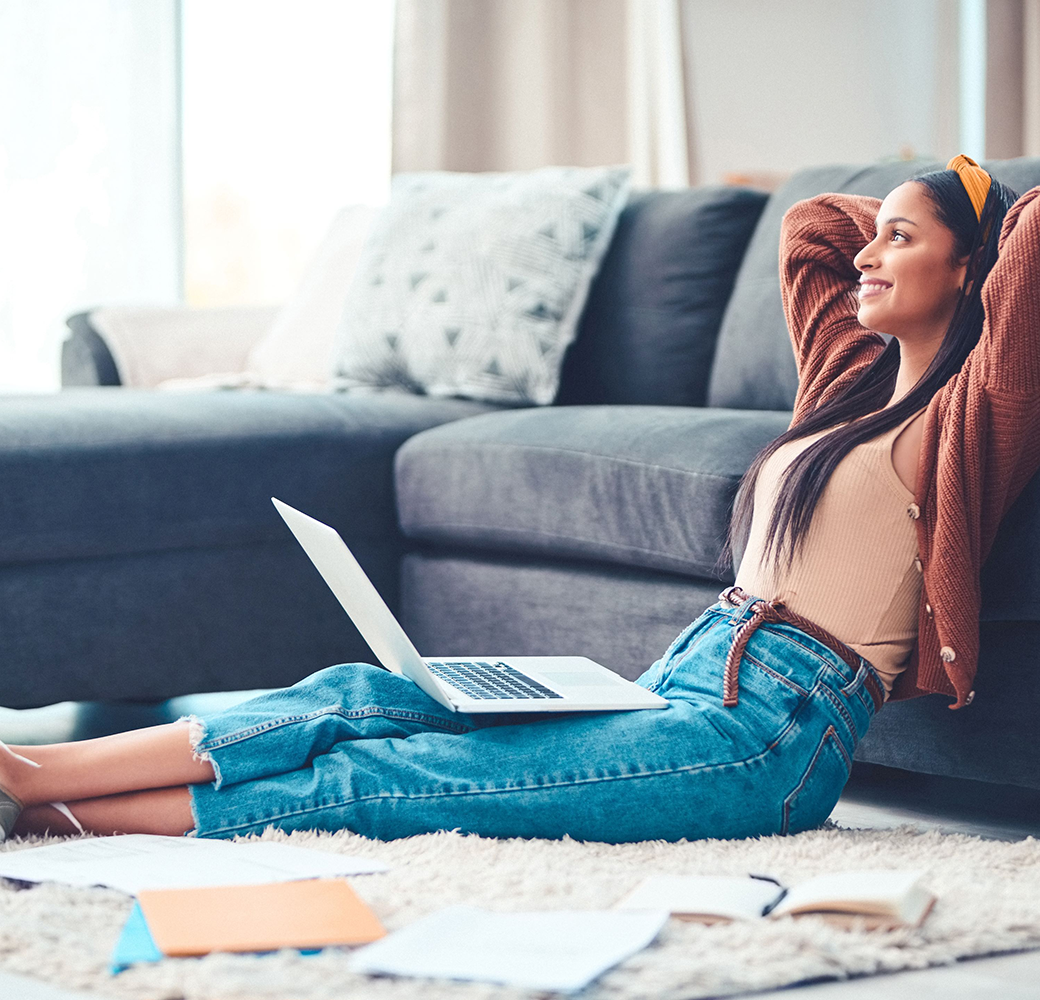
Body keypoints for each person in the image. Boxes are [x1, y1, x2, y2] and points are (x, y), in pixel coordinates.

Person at [2, 156, 1037, 845]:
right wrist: (914, 214)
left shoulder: (966, 418)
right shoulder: (843, 385)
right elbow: (813, 233)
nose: (864, 252)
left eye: (898, 238)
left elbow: (1025, 251)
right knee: (362, 696)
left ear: (972, 268)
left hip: (766, 739)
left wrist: (975, 206)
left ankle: (55, 818)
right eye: (882, 232)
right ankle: (36, 763)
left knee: (395, 778)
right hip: (680, 674)